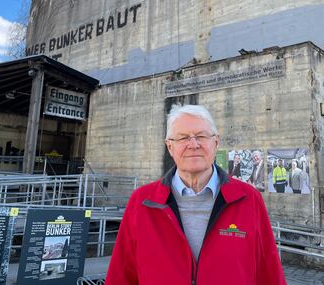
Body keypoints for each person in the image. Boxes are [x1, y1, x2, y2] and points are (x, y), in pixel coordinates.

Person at [105, 104, 286, 285]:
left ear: (215, 142)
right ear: (170, 147)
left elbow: (268, 272)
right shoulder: (142, 202)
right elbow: (121, 275)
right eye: (183, 138)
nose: (193, 145)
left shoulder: (248, 199)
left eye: (201, 136)